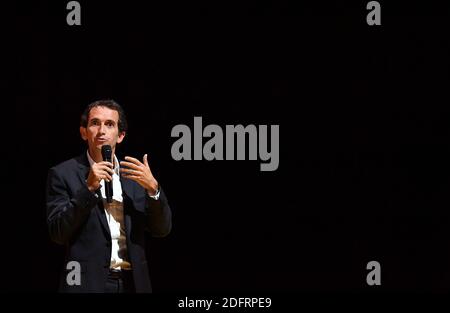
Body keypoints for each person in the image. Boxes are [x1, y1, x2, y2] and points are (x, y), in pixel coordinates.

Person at [46, 99, 172, 293]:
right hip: (85, 284)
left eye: (109, 124)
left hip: (133, 282)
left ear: (120, 135)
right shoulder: (63, 174)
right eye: (95, 123)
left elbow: (162, 229)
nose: (102, 130)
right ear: (83, 132)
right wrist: (88, 189)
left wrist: (153, 190)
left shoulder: (134, 176)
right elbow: (58, 233)